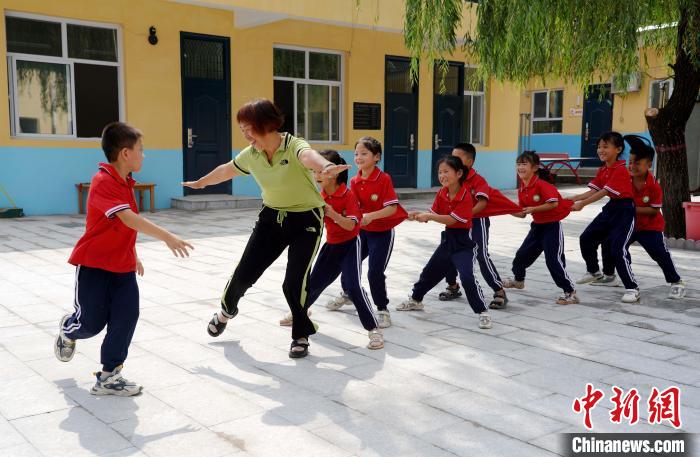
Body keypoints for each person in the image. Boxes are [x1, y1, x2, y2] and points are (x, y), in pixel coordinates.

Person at [182, 99, 348, 359]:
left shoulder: (293, 145)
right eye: (242, 129)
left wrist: (326, 167)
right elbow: (227, 169)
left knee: (294, 282)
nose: (246, 135)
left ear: (267, 125)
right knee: (244, 274)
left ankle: (300, 335)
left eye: (249, 128)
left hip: (306, 220)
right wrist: (202, 182)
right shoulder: (252, 154)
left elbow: (308, 156)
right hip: (272, 219)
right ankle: (225, 312)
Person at [54, 122, 193, 396]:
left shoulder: (126, 183)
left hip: (123, 267)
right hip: (94, 266)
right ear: (125, 153)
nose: (144, 155)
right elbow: (127, 218)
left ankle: (108, 375)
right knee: (90, 324)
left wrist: (134, 254)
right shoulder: (103, 180)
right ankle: (69, 330)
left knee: (127, 316)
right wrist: (167, 236)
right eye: (141, 149)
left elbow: (122, 227)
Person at [279, 150, 384, 349]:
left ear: (334, 172)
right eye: (314, 172)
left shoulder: (348, 195)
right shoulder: (317, 195)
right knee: (312, 284)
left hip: (351, 245)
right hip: (331, 246)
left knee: (353, 286)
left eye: (319, 172)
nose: (316, 176)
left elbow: (351, 226)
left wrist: (332, 212)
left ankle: (374, 329)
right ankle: (300, 313)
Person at [397, 156, 492, 329]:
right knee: (428, 273)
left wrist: (430, 216)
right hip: (448, 242)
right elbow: (433, 213)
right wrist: (417, 215)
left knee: (467, 277)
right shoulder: (442, 193)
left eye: (446, 171)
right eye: (440, 172)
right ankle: (416, 300)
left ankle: (482, 312)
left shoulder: (465, 195)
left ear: (459, 173)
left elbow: (452, 220)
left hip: (464, 244)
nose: (442, 176)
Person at [325, 137, 407, 328]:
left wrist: (371, 216)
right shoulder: (353, 181)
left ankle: (382, 309)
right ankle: (348, 294)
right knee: (348, 265)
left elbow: (392, 209)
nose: (359, 157)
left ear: (376, 157)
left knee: (374, 272)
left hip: (382, 232)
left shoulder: (384, 179)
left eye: (364, 153)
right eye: (356, 154)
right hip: (360, 232)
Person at [596, 135, 686, 298]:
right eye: (630, 162)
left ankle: (676, 282)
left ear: (649, 165)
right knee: (609, 243)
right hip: (626, 223)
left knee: (659, 253)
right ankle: (610, 276)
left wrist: (629, 208)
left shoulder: (654, 186)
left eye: (637, 163)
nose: (632, 166)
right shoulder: (624, 179)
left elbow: (653, 210)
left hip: (648, 227)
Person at [438, 143, 521, 309]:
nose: (453, 160)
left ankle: (499, 291)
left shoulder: (477, 180)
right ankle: (453, 286)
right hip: (456, 223)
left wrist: (466, 215)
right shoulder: (454, 178)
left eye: (458, 157)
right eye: (452, 156)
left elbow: (483, 203)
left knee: (481, 254)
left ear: (469, 161)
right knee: (448, 251)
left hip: (477, 221)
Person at [570, 131, 639, 303]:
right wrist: (572, 198)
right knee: (587, 237)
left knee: (617, 250)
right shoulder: (604, 169)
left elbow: (604, 192)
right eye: (599, 147)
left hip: (624, 211)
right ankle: (594, 272)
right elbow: (594, 189)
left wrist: (582, 204)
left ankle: (632, 288)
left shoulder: (621, 170)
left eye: (605, 147)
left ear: (618, 149)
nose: (601, 150)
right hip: (611, 208)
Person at [502, 151, 579, 304]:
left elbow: (553, 203)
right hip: (537, 227)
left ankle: (570, 292)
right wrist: (505, 209)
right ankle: (518, 281)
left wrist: (533, 209)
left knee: (553, 261)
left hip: (552, 227)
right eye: (518, 164)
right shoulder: (522, 189)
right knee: (520, 256)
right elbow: (522, 213)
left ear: (535, 167)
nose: (520, 167)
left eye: (524, 164)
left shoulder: (542, 185)